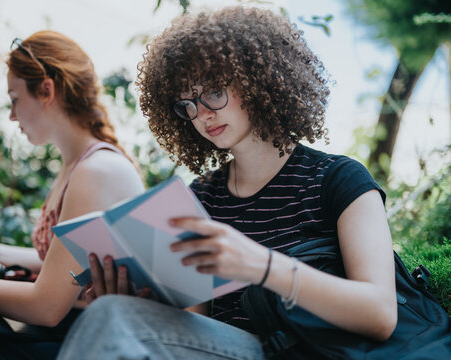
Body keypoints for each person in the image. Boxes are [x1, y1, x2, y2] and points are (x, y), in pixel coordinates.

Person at [54, 6, 450, 359]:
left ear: (259, 79)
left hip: (314, 349)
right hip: (232, 348)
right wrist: (131, 301)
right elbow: (194, 324)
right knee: (111, 313)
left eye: (213, 91)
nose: (202, 114)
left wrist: (262, 265)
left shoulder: (338, 179)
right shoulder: (201, 198)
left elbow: (379, 313)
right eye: (187, 103)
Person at [0, 30, 144, 359]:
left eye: (15, 99)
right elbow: (68, 264)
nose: (11, 115)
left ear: (46, 90)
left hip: (71, 341)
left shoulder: (96, 171)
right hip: (60, 332)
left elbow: (47, 305)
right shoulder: (79, 165)